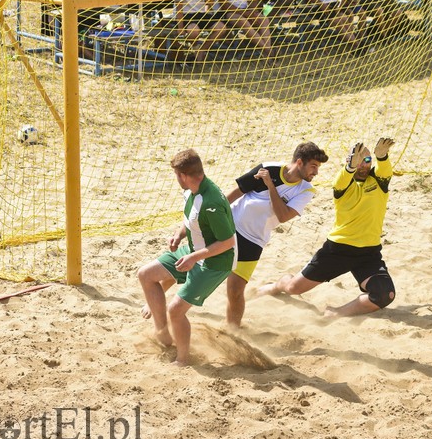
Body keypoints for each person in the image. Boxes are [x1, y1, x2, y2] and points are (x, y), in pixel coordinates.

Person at [258, 138, 397, 317]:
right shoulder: (342, 183)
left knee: (385, 295)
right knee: (293, 288)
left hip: (368, 253)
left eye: (368, 160)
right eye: (359, 161)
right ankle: (277, 285)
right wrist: (350, 167)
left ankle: (335, 313)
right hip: (338, 250)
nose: (364, 165)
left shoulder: (379, 181)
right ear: (350, 162)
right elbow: (343, 178)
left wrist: (382, 156)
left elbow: (385, 170)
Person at [138, 149, 236, 367]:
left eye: (176, 175)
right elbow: (192, 220)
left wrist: (193, 258)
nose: (176, 180)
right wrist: (179, 234)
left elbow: (228, 242)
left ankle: (182, 360)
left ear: (182, 175)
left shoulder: (211, 202)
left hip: (214, 263)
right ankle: (162, 333)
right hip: (195, 251)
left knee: (176, 311)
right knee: (145, 274)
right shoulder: (193, 190)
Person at [225, 142, 329, 327]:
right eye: (314, 166)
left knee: (235, 291)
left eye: (318, 167)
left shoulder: (306, 190)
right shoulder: (268, 168)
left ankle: (232, 331)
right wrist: (214, 216)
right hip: (229, 226)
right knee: (190, 265)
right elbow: (235, 193)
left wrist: (271, 187)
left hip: (253, 241)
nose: (316, 172)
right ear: (299, 162)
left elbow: (282, 216)